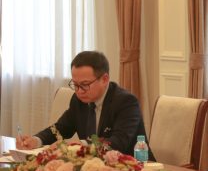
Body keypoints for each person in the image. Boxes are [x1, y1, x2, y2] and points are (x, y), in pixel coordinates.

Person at [17, 51, 153, 157]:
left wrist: (80, 145)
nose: (79, 91)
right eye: (75, 84)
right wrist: (36, 140)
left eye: (85, 84)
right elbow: (60, 128)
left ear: (104, 79)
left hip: (135, 170)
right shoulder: (78, 100)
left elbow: (118, 142)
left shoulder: (126, 102)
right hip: (94, 169)